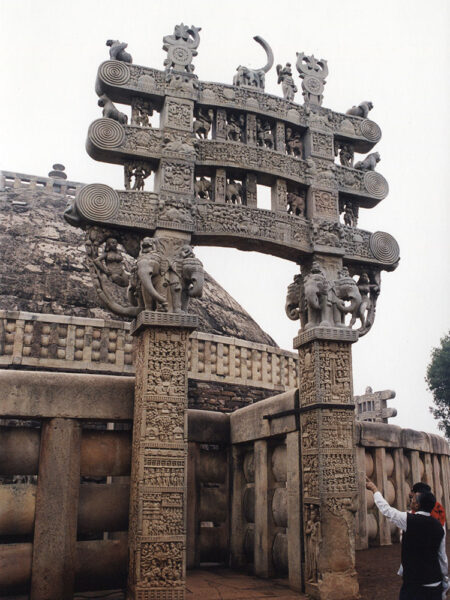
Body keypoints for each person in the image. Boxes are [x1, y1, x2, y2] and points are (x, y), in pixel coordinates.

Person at [366, 477, 448, 599]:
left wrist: (374, 490)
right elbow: (442, 557)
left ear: (417, 504)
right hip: (434, 583)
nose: (411, 499)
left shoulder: (408, 520)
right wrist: (445, 582)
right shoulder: (439, 525)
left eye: (413, 498)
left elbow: (387, 510)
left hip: (414, 584)